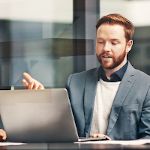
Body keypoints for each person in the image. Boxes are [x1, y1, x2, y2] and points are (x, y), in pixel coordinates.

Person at [22, 13, 150, 140]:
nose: (106, 48)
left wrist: (110, 143)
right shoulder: (75, 82)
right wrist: (40, 100)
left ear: (128, 45)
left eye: (114, 43)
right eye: (100, 42)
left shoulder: (146, 85)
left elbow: (147, 138)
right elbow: (58, 127)